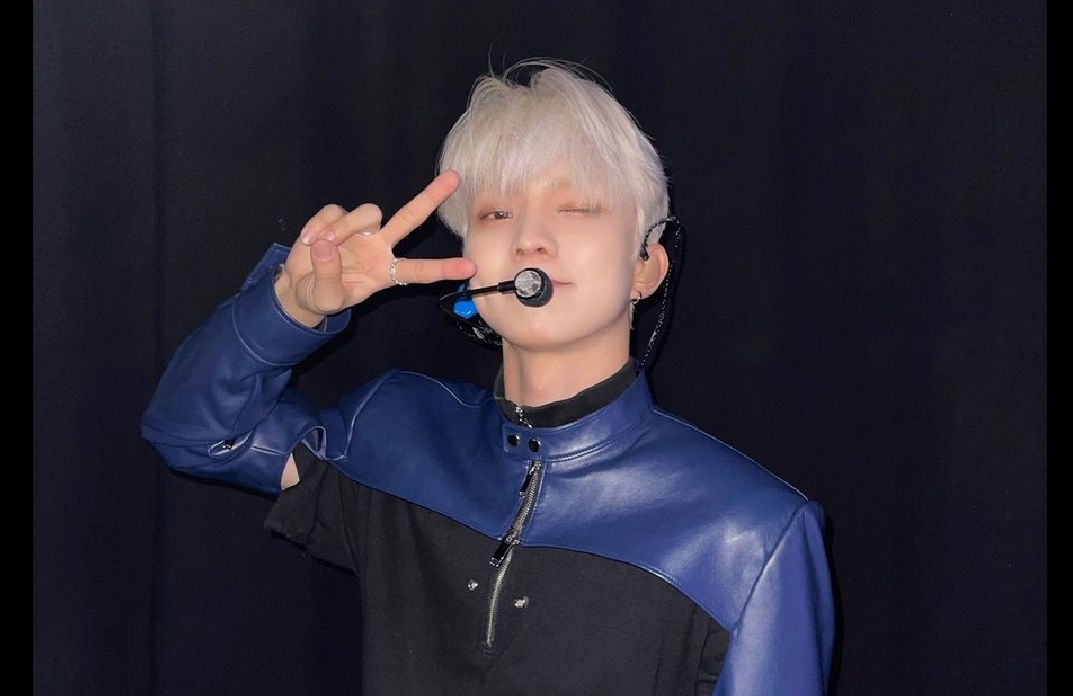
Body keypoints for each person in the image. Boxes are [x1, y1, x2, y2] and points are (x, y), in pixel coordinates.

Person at [142, 60, 835, 695]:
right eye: (496, 212)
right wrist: (288, 310)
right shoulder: (392, 430)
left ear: (647, 266)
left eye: (576, 206)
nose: (528, 237)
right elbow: (198, 435)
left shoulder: (749, 534)